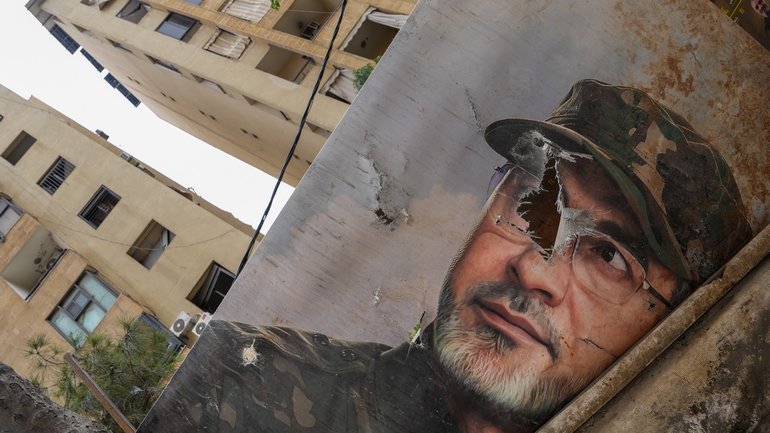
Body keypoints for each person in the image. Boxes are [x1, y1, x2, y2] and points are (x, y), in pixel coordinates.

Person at [137, 80, 752, 433]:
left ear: (670, 328)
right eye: (533, 198)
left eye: (610, 257)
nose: (533, 268)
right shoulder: (241, 389)